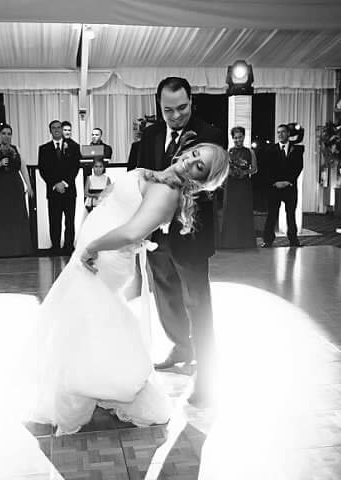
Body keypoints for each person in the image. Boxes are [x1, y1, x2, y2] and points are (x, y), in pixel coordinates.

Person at [26, 142, 229, 434]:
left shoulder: (167, 190)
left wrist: (93, 246)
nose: (190, 161)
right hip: (96, 251)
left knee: (85, 321)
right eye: (195, 154)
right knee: (85, 322)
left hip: (103, 258)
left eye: (200, 166)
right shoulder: (159, 176)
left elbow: (134, 231)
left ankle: (97, 386)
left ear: (202, 180)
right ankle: (88, 383)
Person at [131, 76, 226, 405]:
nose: (175, 116)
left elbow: (208, 183)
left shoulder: (210, 135)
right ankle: (180, 346)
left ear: (192, 103)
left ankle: (208, 376)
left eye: (182, 108)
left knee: (197, 303)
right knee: (166, 298)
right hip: (158, 236)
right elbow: (138, 174)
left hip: (190, 234)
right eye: (168, 110)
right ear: (159, 107)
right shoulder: (151, 135)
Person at [0, 123, 34, 257]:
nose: (7, 136)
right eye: (4, 133)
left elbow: (23, 167)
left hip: (14, 186)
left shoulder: (16, 148)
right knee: (0, 218)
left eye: (9, 133)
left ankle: (18, 249)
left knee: (17, 217)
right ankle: (1, 250)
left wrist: (28, 185)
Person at [38, 120, 82, 254]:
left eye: (59, 127)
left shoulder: (73, 147)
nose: (56, 130)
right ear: (50, 130)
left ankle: (69, 247)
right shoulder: (44, 149)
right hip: (53, 191)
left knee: (69, 220)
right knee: (54, 220)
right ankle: (55, 247)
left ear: (62, 130)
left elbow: (75, 167)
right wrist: (55, 184)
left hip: (69, 190)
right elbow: (43, 170)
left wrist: (65, 183)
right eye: (53, 128)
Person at [261, 124, 304, 248]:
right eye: (278, 132)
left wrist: (288, 181)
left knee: (291, 214)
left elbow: (298, 167)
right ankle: (268, 240)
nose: (280, 134)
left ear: (288, 134)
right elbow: (267, 168)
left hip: (290, 187)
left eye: (283, 132)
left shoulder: (297, 150)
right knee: (272, 214)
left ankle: (293, 240)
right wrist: (275, 182)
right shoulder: (270, 149)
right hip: (274, 188)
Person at [218, 126, 258, 249]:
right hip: (232, 186)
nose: (237, 140)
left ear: (244, 137)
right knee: (231, 212)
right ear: (232, 139)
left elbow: (255, 169)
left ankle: (245, 242)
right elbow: (224, 169)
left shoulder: (250, 152)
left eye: (240, 137)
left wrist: (244, 173)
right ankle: (230, 242)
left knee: (244, 212)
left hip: (244, 185)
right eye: (235, 138)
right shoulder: (229, 152)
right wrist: (230, 172)